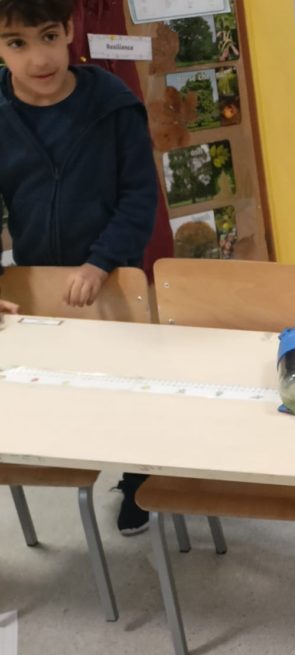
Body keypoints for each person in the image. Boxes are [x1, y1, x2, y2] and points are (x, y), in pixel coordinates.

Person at [0, 0, 159, 534]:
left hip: (113, 277)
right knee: (62, 384)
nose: (38, 58)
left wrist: (99, 262)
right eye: (16, 44)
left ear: (70, 29)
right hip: (37, 282)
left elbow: (139, 196)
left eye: (49, 36)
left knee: (128, 386)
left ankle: (137, 478)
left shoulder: (113, 105)